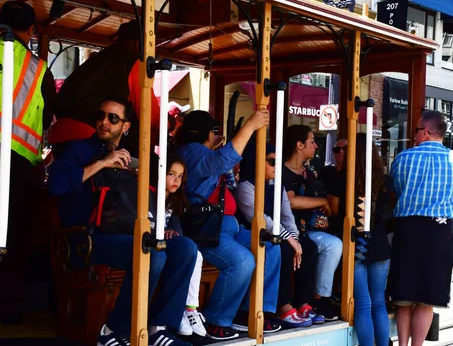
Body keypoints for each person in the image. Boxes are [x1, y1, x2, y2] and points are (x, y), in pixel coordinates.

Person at [48, 98, 196, 346]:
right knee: (152, 254)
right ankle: (112, 331)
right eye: (101, 116)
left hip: (129, 233)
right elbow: (55, 185)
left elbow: (164, 198)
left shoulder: (134, 157)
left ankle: (158, 328)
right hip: (87, 238)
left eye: (113, 118)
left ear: (125, 126)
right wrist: (102, 163)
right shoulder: (79, 150)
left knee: (186, 249)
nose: (104, 122)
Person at [176, 109, 281, 340]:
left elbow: (225, 170)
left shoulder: (202, 152)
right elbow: (223, 160)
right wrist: (250, 125)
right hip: (205, 228)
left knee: (270, 246)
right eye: (214, 131)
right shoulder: (191, 151)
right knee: (242, 262)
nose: (216, 135)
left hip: (225, 225)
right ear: (207, 133)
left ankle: (249, 312)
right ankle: (216, 320)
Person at [388, 110, 453, 346]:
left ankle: (402, 344)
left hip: (408, 229)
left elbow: (394, 189)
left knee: (403, 296)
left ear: (425, 132)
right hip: (439, 231)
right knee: (426, 299)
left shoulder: (404, 158)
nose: (413, 135)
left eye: (415, 130)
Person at [0, 0, 57, 323]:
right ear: (31, 31)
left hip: (15, 160)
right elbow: (47, 116)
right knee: (12, 238)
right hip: (16, 161)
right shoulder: (37, 68)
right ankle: (7, 312)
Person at [234, 140, 317, 328]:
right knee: (284, 249)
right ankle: (283, 306)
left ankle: (301, 301)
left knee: (308, 247)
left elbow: (287, 217)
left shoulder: (276, 187)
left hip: (279, 233)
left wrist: (295, 239)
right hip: (254, 234)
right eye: (271, 162)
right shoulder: (245, 187)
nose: (275, 167)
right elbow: (263, 220)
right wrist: (290, 241)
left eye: (278, 162)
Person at [49, 20, 161, 156]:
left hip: (58, 134)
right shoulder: (133, 63)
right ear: (139, 44)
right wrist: (168, 124)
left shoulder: (98, 59)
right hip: (90, 137)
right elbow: (148, 112)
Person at [329, 134, 392, 346]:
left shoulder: (343, 178)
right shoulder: (384, 178)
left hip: (355, 244)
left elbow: (336, 210)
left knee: (363, 304)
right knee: (378, 303)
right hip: (380, 244)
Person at [283, 125, 343, 321]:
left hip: (308, 228)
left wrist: (322, 214)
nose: (316, 146)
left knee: (334, 243)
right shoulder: (282, 171)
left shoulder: (309, 173)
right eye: (311, 141)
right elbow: (292, 201)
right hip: (288, 229)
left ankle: (320, 298)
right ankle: (306, 301)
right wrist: (323, 202)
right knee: (311, 247)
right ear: (299, 145)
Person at [162, 157, 207, 337]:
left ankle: (189, 309)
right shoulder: (150, 194)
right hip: (150, 241)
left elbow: (176, 228)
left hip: (170, 243)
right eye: (171, 174)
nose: (176, 180)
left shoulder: (175, 200)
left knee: (195, 254)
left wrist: (172, 231)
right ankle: (179, 309)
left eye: (180, 176)